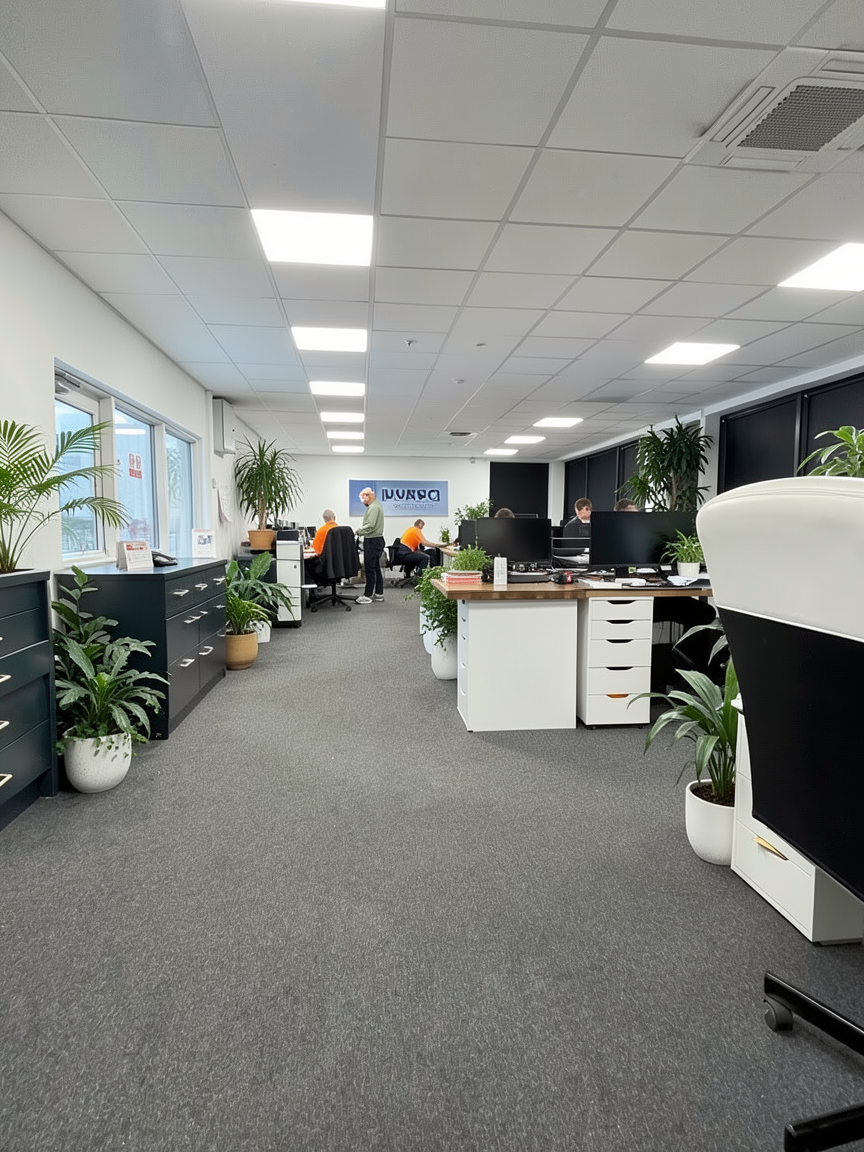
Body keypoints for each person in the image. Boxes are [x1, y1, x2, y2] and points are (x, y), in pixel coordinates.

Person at [354, 487, 385, 604]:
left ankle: (368, 595)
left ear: (367, 496)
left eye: (362, 499)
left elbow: (371, 525)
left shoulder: (373, 507)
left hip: (372, 540)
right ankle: (379, 594)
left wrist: (358, 531)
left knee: (370, 569)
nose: (362, 502)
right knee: (375, 568)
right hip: (376, 540)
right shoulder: (376, 505)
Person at [305, 509, 338, 583]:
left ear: (324, 519)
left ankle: (310, 587)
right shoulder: (339, 530)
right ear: (334, 517)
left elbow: (317, 551)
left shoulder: (321, 531)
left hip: (324, 564)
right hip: (338, 564)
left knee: (306, 564)